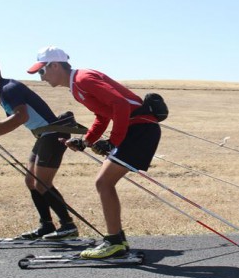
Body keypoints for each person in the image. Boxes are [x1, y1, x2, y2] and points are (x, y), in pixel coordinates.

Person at [26, 46, 161, 259]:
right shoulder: (76, 86)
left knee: (103, 183)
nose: (41, 78)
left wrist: (112, 141)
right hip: (135, 130)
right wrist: (86, 141)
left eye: (42, 72)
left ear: (54, 65)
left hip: (140, 130)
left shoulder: (83, 79)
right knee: (104, 183)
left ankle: (115, 241)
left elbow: (121, 105)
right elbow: (102, 115)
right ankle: (117, 240)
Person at [0, 54, 78, 240]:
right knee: (31, 182)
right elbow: (13, 121)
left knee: (42, 184)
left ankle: (68, 226)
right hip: (44, 135)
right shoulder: (4, 92)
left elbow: (21, 117)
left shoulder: (9, 88)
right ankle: (46, 225)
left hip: (53, 134)